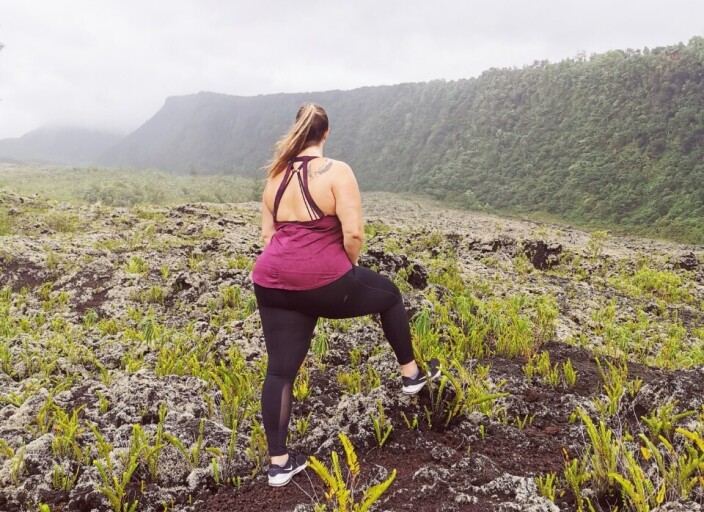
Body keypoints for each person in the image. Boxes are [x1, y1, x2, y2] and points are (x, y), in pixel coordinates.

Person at [251, 103, 440, 487]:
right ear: (327, 132)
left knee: (280, 370)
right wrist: (343, 268)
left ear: (298, 131)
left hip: (271, 281)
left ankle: (279, 464)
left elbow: (268, 237)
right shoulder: (337, 171)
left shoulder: (275, 177)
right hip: (323, 279)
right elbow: (353, 233)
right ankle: (410, 375)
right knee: (388, 296)